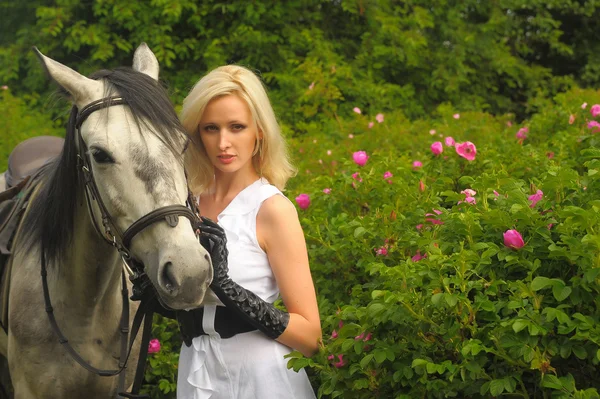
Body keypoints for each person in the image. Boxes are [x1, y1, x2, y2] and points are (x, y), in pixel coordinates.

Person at [176, 65, 321, 399]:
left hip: (262, 377)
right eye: (211, 128)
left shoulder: (272, 210)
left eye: (237, 127)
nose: (223, 143)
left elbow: (311, 338)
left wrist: (230, 290)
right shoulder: (185, 204)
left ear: (259, 132)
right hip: (198, 369)